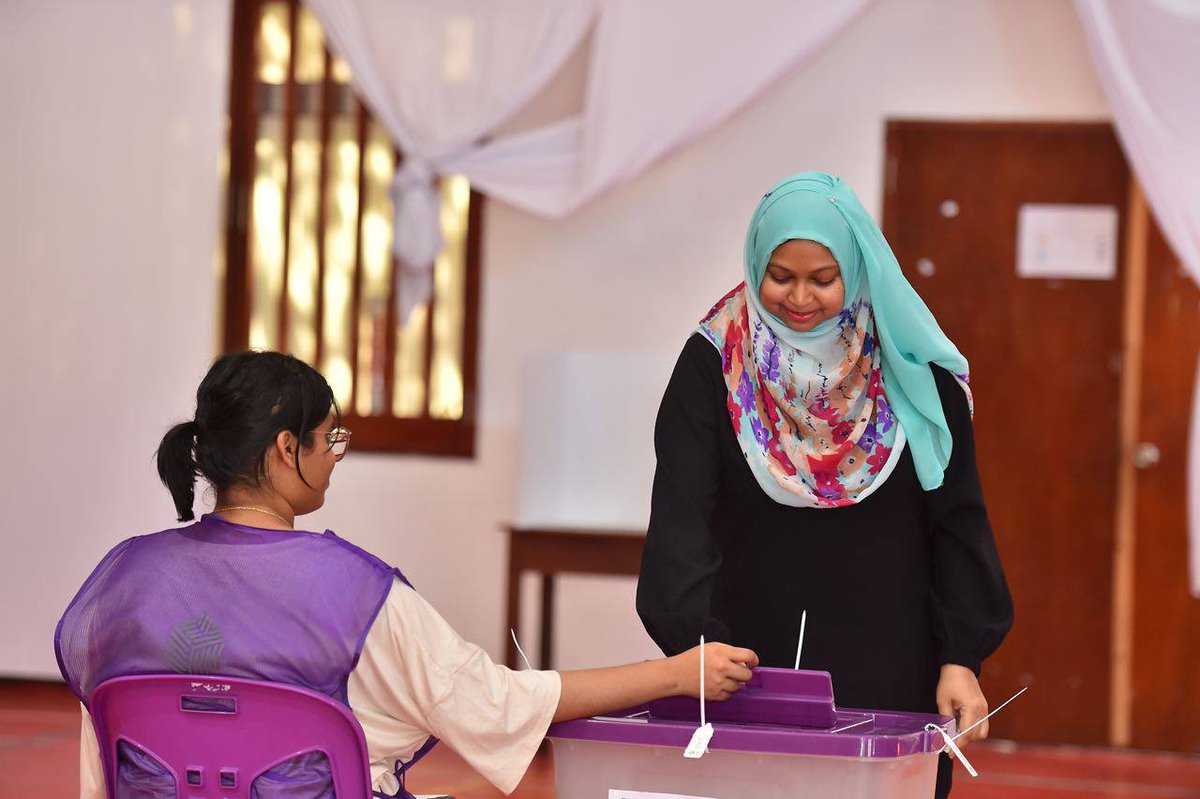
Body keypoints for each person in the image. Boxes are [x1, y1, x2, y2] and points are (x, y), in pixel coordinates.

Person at [56, 351, 757, 799]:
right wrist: (675, 673)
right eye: (330, 438)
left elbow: (108, 762)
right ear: (282, 451)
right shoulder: (355, 595)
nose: (337, 455)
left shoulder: (124, 579)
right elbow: (502, 706)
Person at [635, 172, 1013, 798]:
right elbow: (681, 518)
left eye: (823, 278)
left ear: (857, 269)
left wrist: (961, 657)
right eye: (780, 275)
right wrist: (694, 645)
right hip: (745, 667)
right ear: (756, 261)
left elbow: (958, 521)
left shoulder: (914, 373)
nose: (799, 298)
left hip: (894, 667)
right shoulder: (713, 365)